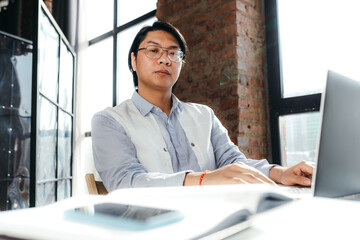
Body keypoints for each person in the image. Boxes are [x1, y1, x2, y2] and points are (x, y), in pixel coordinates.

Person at [91, 21, 313, 192]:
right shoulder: (110, 120)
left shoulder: (204, 114)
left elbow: (234, 163)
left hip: (214, 217)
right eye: (153, 50)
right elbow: (125, 182)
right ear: (133, 61)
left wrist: (281, 173)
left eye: (173, 53)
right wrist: (205, 179)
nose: (165, 60)